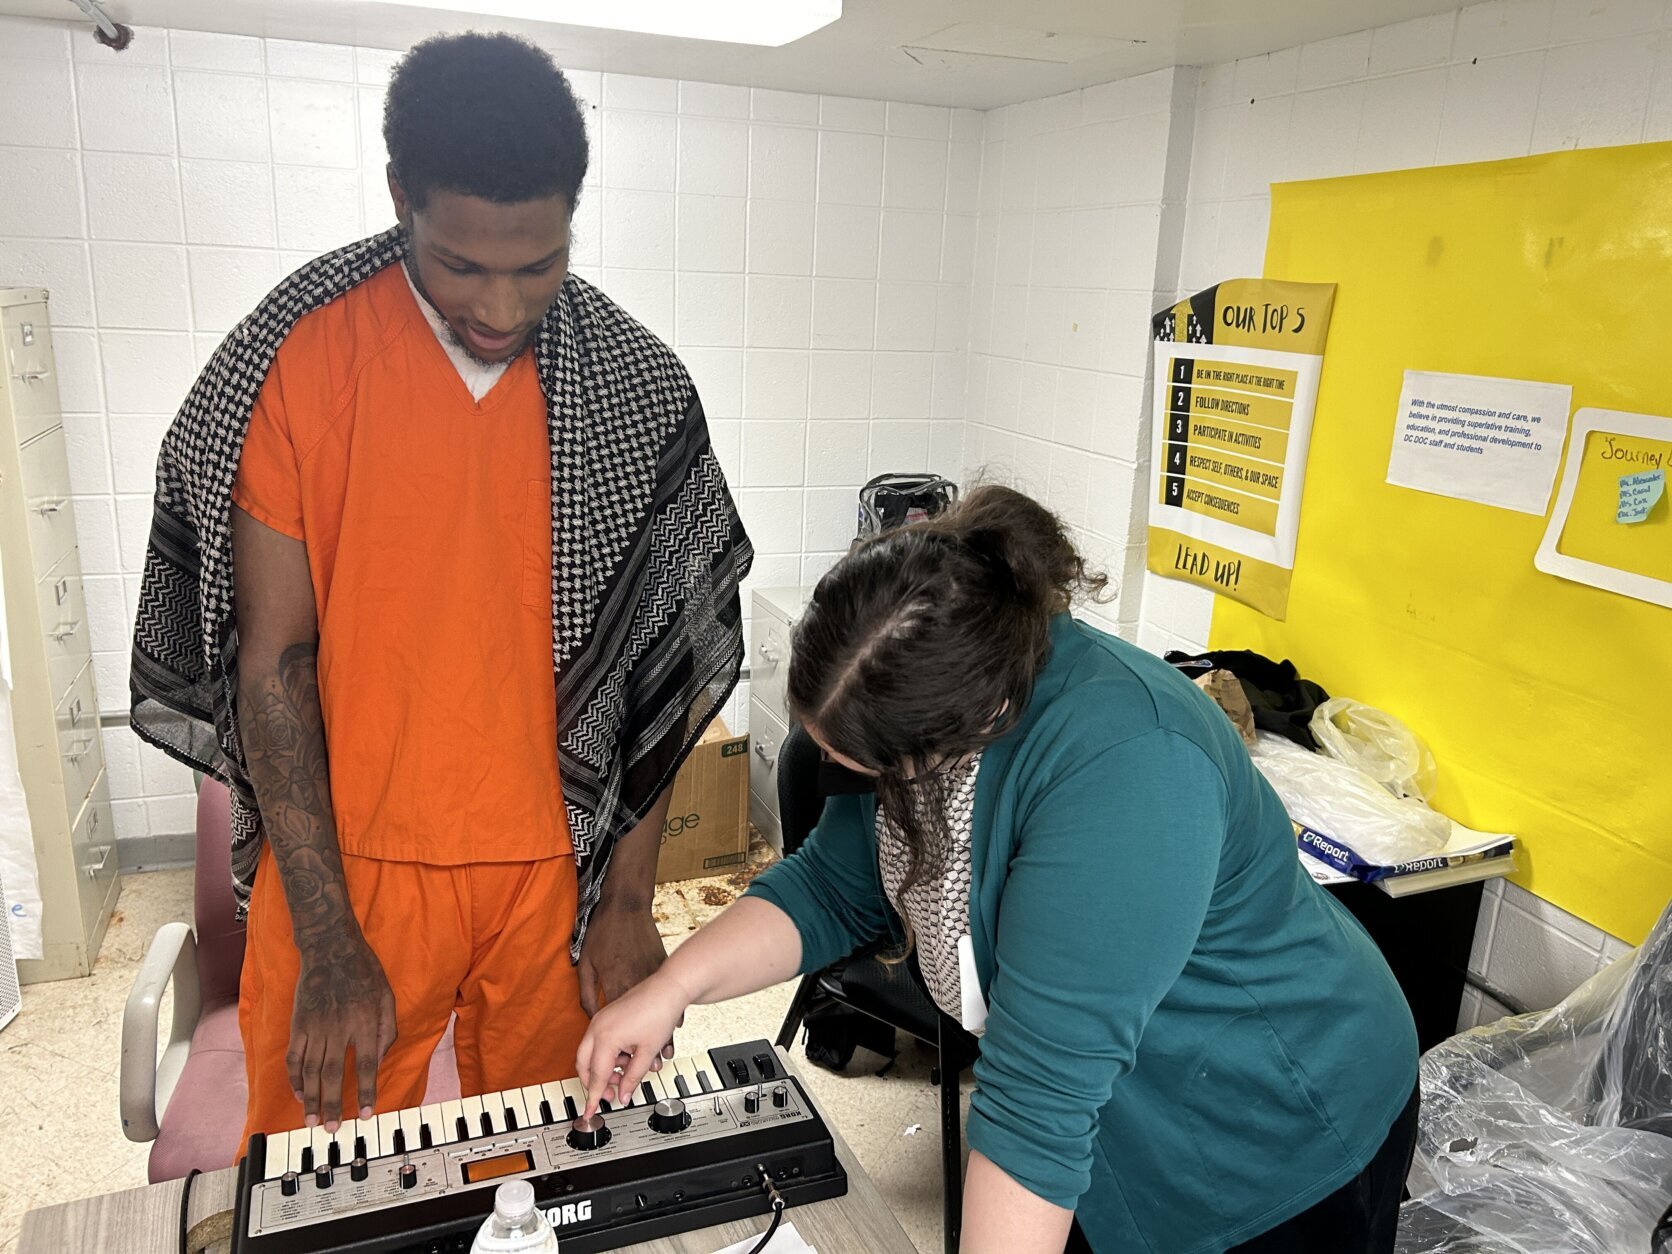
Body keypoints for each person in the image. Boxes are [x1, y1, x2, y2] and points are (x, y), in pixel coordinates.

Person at [128, 33, 750, 1147]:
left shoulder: (632, 383)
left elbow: (658, 665)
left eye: (539, 265)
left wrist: (625, 904)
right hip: (349, 867)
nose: (502, 308)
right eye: (461, 266)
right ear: (399, 200)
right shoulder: (299, 357)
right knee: (326, 1177)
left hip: (558, 869)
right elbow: (271, 662)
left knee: (558, 1161)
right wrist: (328, 937)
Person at [575, 485, 1420, 1253]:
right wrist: (672, 987)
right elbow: (832, 885)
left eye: (862, 766)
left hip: (1272, 1113)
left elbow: (1038, 1106)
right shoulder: (943, 700)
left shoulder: (1128, 768)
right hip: (1110, 1120)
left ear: (955, 733)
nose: (839, 775)